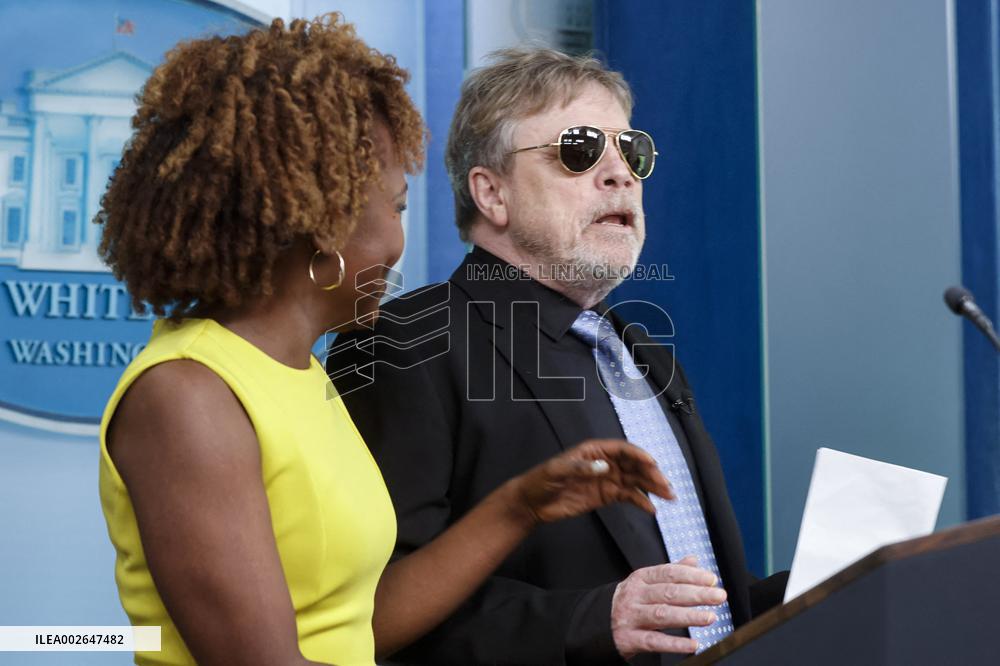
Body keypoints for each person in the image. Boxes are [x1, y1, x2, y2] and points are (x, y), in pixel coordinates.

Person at [96, 18, 675, 666]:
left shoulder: (303, 376)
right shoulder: (188, 396)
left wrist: (520, 506)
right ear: (323, 221)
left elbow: (363, 625)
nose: (402, 241)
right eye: (396, 208)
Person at [331, 47, 788, 665]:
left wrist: (832, 583)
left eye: (632, 152)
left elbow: (697, 603)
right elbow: (373, 611)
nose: (621, 175)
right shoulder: (405, 342)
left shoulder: (644, 355)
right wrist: (590, 621)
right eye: (579, 150)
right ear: (492, 193)